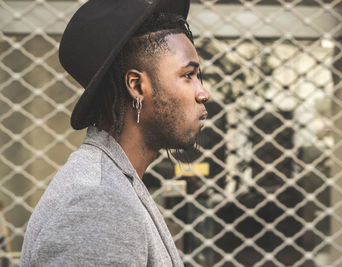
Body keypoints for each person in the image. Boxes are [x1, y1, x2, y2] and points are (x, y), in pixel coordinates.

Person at [20, 0, 210, 266]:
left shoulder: (115, 182)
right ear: (136, 85)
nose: (203, 93)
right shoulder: (97, 204)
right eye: (188, 75)